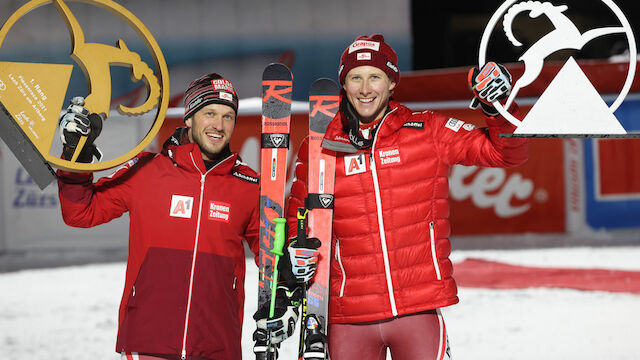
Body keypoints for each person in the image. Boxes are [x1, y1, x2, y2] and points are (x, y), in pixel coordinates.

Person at [285, 34, 528, 360]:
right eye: (355, 78)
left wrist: (497, 106)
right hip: (348, 316)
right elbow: (298, 219)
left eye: (375, 77)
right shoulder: (320, 147)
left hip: (417, 310)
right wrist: (294, 254)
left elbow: (505, 154)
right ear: (344, 85)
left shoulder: (428, 131)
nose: (365, 88)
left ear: (392, 84)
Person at [57, 73, 299, 360]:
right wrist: (75, 154)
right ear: (189, 118)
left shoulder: (248, 186)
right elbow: (80, 212)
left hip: (216, 345)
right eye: (209, 113)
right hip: (148, 342)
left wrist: (285, 290)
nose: (219, 126)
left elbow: (272, 257)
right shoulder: (147, 172)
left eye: (228, 116)